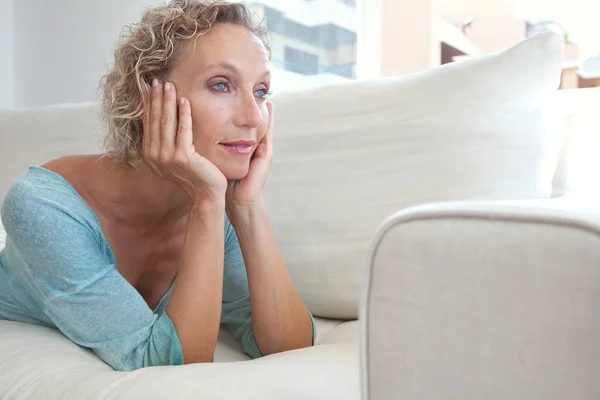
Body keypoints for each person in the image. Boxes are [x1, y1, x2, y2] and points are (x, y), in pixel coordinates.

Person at [0, 0, 315, 371]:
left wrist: (247, 207)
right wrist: (206, 202)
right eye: (221, 85)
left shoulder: (214, 204)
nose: (253, 117)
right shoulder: (42, 207)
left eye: (261, 91)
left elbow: (290, 346)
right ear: (144, 99)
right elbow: (171, 365)